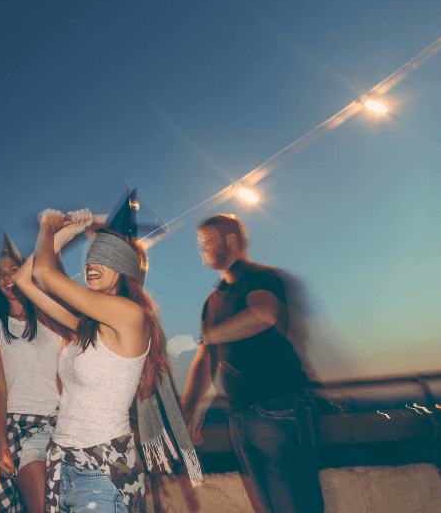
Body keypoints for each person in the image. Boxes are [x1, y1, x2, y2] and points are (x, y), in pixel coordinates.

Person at [18, 209, 170, 513]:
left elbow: (46, 273)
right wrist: (71, 230)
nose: (91, 264)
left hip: (102, 471)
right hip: (64, 464)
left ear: (125, 266)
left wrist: (49, 226)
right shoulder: (87, 327)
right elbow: (25, 280)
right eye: (90, 257)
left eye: (105, 256)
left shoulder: (130, 315)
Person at [181, 214, 324, 513]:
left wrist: (204, 337)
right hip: (241, 414)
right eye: (200, 243)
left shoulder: (259, 277)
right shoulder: (212, 301)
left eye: (207, 241)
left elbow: (263, 315)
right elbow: (207, 358)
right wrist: (191, 410)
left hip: (280, 407)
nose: (200, 248)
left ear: (230, 241)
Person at [0, 235, 70, 513]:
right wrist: (2, 445)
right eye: (0, 274)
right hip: (23, 430)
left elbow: (66, 375)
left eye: (13, 270)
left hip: (65, 427)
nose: (8, 277)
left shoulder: (52, 320)